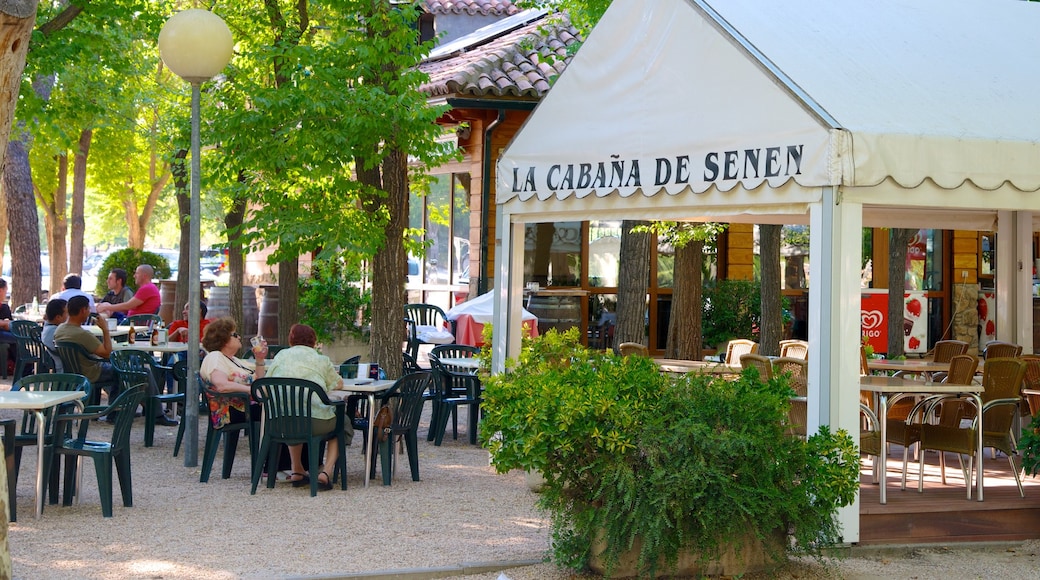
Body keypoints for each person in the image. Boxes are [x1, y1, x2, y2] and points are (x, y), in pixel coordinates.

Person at [266, 324, 348, 491]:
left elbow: (268, 382)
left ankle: (297, 469)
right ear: (313, 341)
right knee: (342, 423)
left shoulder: (281, 356)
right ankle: (325, 472)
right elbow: (338, 383)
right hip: (314, 421)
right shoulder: (320, 359)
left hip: (281, 420)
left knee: (293, 409)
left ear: (291, 339)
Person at [200, 317, 268, 432]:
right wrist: (250, 390)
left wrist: (260, 359)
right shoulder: (215, 357)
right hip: (230, 411)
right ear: (224, 339)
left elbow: (258, 382)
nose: (239, 337)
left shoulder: (234, 360)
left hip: (246, 406)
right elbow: (222, 386)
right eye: (235, 335)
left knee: (284, 409)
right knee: (280, 412)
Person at [54, 295, 117, 399]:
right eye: (88, 309)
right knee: (124, 370)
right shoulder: (82, 334)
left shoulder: (59, 329)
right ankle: (116, 411)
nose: (89, 312)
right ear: (83, 310)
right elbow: (107, 353)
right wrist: (105, 329)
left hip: (72, 372)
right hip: (91, 373)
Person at [96, 264, 160, 317]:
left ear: (144, 276)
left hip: (134, 323)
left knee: (105, 309)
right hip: (132, 321)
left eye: (137, 273)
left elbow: (128, 306)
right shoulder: (149, 288)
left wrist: (107, 307)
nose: (134, 276)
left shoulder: (147, 288)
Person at [0, 279, 14, 372]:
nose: (6, 293)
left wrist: (4, 323)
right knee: (20, 338)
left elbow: (9, 325)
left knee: (18, 337)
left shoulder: (4, 306)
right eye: (6, 290)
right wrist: (4, 323)